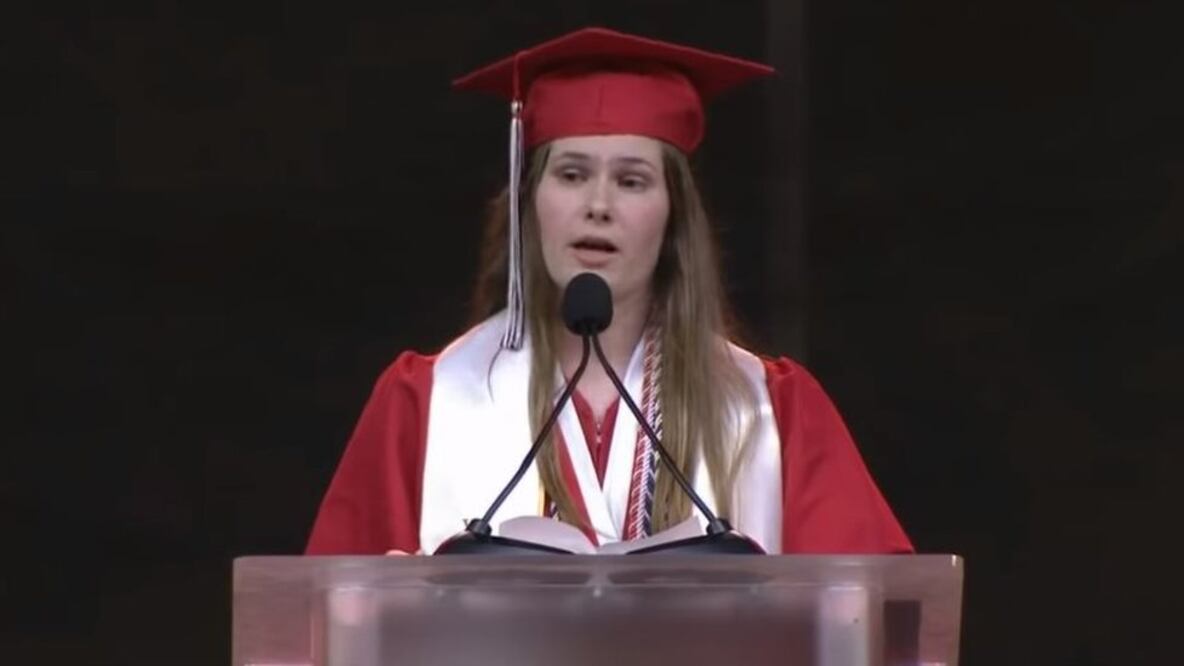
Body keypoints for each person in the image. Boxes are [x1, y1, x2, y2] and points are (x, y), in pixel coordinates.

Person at [305, 27, 912, 556]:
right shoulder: (425, 403)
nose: (598, 206)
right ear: (529, 201)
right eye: (571, 175)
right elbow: (312, 636)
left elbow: (884, 630)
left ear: (673, 216)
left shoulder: (771, 414)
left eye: (631, 180)